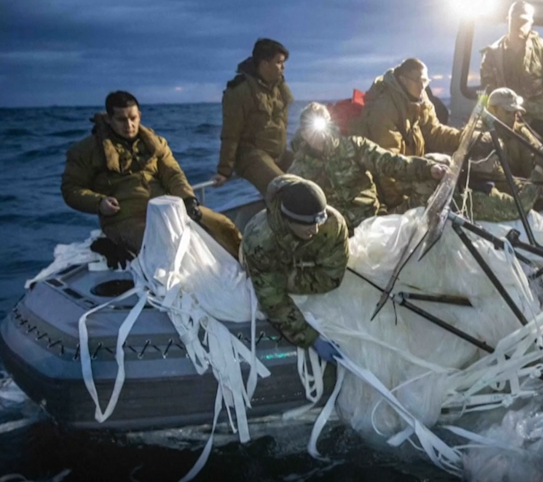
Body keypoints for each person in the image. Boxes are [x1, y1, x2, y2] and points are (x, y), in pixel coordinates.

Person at [61, 91, 242, 261]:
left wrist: (188, 200)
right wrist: (99, 202)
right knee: (164, 247)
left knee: (223, 226)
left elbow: (173, 174)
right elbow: (71, 189)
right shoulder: (86, 150)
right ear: (109, 119)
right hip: (124, 218)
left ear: (139, 115)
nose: (129, 125)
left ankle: (250, 270)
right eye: (121, 120)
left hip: (168, 208)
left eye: (133, 118)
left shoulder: (156, 144)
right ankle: (112, 244)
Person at [288, 103, 448, 233]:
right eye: (310, 130)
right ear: (303, 133)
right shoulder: (299, 169)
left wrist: (428, 168)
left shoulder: (354, 146)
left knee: (430, 187)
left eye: (321, 128)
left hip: (373, 222)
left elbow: (390, 163)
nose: (318, 136)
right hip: (335, 235)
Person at [354, 58, 481, 211]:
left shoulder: (420, 100)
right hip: (390, 183)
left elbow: (435, 132)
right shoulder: (384, 109)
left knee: (446, 165)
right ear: (403, 80)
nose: (423, 86)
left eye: (425, 81)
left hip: (410, 169)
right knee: (429, 184)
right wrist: (398, 207)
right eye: (418, 80)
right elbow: (387, 166)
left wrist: (466, 138)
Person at [240, 174, 347, 354]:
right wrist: (310, 338)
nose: (315, 229)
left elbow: (332, 277)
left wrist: (296, 272)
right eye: (307, 224)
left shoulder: (332, 223)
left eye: (318, 220)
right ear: (288, 219)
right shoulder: (259, 240)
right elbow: (273, 298)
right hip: (266, 267)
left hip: (293, 268)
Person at [479, 1, 543, 160]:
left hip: (539, 120)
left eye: (524, 21)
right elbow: (486, 92)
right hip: (506, 121)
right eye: (516, 20)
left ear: (532, 22)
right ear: (508, 19)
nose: (519, 25)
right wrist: (484, 116)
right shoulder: (492, 55)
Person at [212, 38, 294, 194]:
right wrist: (224, 170)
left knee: (313, 174)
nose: (283, 67)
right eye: (279, 62)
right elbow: (231, 133)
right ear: (264, 64)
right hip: (251, 155)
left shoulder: (279, 87)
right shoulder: (239, 91)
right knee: (285, 189)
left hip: (279, 153)